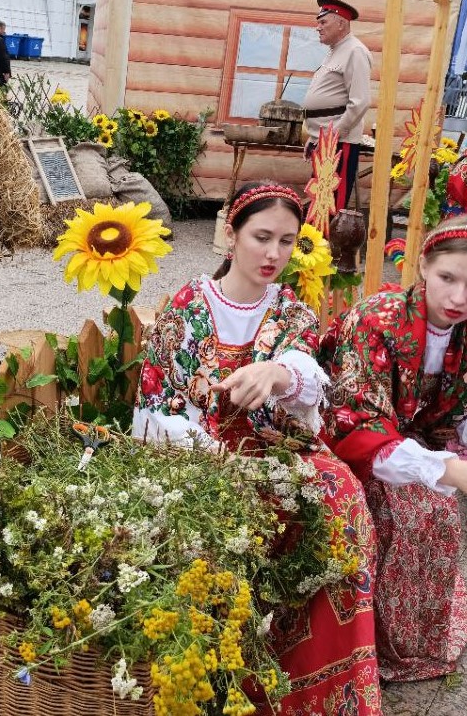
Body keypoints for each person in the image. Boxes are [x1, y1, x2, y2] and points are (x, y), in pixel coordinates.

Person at [135, 181, 381, 715]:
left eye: (288, 242)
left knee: (342, 496)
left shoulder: (292, 310)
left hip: (277, 447)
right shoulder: (183, 308)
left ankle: (321, 686)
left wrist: (278, 373)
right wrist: (217, 459)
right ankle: (222, 676)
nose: (274, 255)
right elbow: (157, 409)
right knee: (229, 518)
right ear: (231, 232)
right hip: (198, 454)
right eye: (261, 237)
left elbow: (309, 383)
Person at [319, 214, 467, 682]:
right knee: (398, 513)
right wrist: (451, 469)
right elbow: (354, 421)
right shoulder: (374, 320)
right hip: (343, 445)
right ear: (422, 267)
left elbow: (465, 405)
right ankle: (356, 641)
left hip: (407, 447)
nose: (458, 298)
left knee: (434, 513)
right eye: (447, 278)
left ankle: (408, 642)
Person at [301, 0, 372, 211]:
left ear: (341, 23)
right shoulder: (335, 51)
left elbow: (359, 103)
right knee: (319, 202)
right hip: (324, 140)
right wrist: (314, 137)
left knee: (329, 205)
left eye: (323, 22)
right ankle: (316, 244)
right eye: (318, 22)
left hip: (338, 143)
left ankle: (327, 244)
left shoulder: (355, 51)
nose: (317, 28)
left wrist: (333, 135)